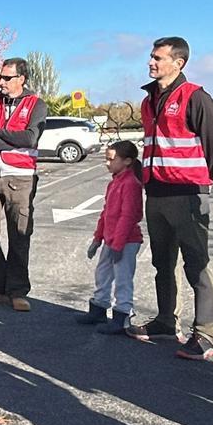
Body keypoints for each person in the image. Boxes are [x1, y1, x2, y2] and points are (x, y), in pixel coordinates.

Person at [125, 37, 213, 360]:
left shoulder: (194, 97)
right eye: (151, 56)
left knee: (196, 264)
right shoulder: (148, 100)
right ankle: (166, 322)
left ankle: (206, 333)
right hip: (156, 194)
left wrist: (198, 179)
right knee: (162, 262)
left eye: (157, 57)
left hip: (187, 195)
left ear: (178, 63)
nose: (151, 62)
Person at [0, 57, 48, 312]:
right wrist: (11, 139)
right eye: (0, 77)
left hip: (21, 178)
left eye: (7, 78)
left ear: (21, 79)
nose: (1, 82)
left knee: (20, 235)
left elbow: (30, 137)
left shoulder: (36, 105)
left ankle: (17, 290)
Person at [79, 141, 144, 334]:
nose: (107, 163)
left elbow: (128, 216)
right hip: (111, 240)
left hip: (126, 241)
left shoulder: (131, 184)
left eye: (111, 159)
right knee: (103, 274)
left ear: (127, 161)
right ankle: (98, 308)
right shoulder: (115, 181)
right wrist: (97, 238)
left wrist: (118, 244)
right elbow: (106, 213)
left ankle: (123, 315)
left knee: (123, 279)